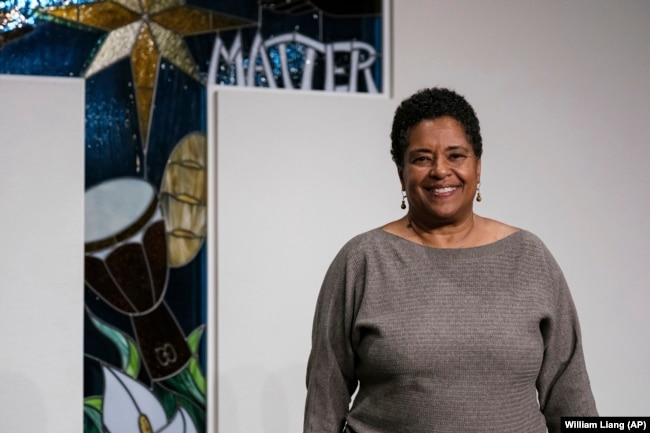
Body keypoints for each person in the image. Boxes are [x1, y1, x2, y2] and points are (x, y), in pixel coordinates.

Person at [303, 87, 598, 433]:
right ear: (401, 172)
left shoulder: (530, 257)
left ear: (478, 166)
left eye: (456, 155)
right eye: (422, 158)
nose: (441, 171)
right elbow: (325, 397)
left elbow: (570, 392)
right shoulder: (363, 261)